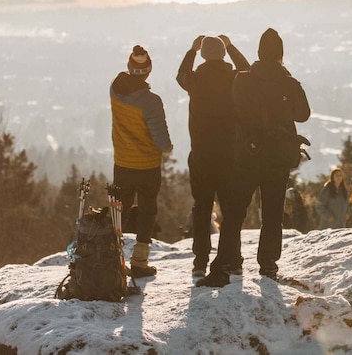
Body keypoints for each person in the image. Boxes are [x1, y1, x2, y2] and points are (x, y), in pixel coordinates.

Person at [198, 28, 311, 287]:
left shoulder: (242, 80)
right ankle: (268, 266)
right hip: (278, 159)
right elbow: (303, 114)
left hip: (247, 155)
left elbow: (238, 109)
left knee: (235, 212)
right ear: (281, 55)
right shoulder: (290, 83)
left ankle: (224, 265)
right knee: (272, 214)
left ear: (259, 53)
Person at [176, 34, 249, 278]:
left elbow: (181, 75)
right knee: (230, 208)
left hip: (202, 155)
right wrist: (231, 46)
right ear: (223, 54)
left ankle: (200, 262)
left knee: (202, 208)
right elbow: (247, 70)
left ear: (204, 55)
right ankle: (233, 260)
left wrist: (191, 50)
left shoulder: (195, 80)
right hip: (231, 154)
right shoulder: (234, 78)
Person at [110, 44, 173, 278]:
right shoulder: (151, 101)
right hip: (147, 165)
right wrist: (167, 148)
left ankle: (112, 257)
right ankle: (139, 262)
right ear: (148, 71)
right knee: (147, 211)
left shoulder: (115, 90)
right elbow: (162, 139)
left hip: (122, 163)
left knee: (119, 210)